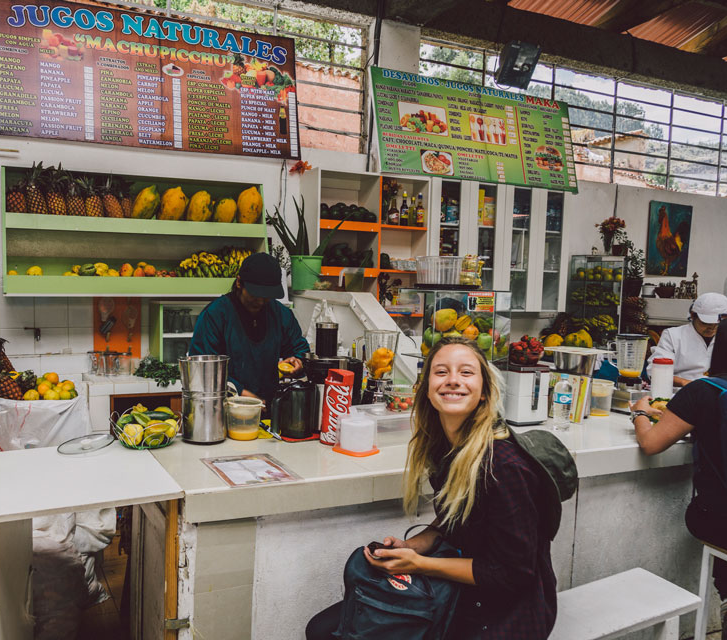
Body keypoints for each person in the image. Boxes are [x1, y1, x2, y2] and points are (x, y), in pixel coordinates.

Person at [306, 337, 557, 639]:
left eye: (466, 372)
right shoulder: (445, 447)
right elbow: (459, 517)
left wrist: (421, 565)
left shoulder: (503, 466)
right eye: (441, 372)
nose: (453, 380)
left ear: (484, 392)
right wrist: (415, 545)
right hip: (466, 590)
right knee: (322, 628)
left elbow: (512, 574)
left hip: (506, 614)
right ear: (425, 389)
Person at [633, 315, 727, 640]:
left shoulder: (703, 390)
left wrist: (640, 413)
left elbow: (651, 444)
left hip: (717, 520)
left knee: (719, 517)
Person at [188, 252, 308, 404]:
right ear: (239, 283)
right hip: (222, 407)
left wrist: (297, 362)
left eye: (267, 296)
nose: (261, 301)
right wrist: (240, 393)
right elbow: (202, 368)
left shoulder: (281, 314)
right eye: (256, 295)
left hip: (268, 406)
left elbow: (300, 349)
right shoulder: (215, 315)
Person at [647, 292, 727, 386]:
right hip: (681, 390)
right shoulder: (673, 335)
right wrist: (685, 383)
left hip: (719, 389)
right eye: (706, 323)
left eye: (717, 325)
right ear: (692, 315)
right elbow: (656, 371)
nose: (712, 328)